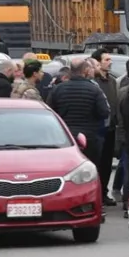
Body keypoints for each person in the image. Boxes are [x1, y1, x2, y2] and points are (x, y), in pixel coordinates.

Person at [47, 58, 110, 197]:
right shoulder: (94, 90)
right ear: (86, 70)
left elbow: (50, 113)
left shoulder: (58, 89)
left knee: (65, 170)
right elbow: (104, 112)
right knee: (90, 170)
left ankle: (64, 196)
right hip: (90, 137)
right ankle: (90, 198)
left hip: (65, 138)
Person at [92, 50, 120, 207]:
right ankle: (96, 194)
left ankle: (104, 193)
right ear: (97, 62)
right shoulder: (94, 82)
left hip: (110, 128)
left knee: (107, 163)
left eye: (110, 59)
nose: (110, 62)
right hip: (97, 129)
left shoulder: (112, 81)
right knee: (97, 162)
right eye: (106, 59)